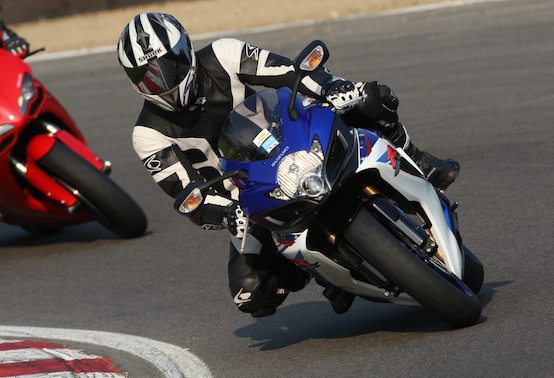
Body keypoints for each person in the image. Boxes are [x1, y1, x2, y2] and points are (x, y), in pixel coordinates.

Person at [117, 13, 460, 317]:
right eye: (148, 78)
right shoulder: (147, 136)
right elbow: (190, 196)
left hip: (294, 138)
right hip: (249, 197)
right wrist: (226, 214)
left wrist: (334, 87)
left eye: (170, 67)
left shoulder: (223, 53)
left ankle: (418, 159)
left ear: (186, 51)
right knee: (252, 294)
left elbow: (287, 73)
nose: (162, 83)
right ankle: (323, 271)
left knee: (370, 97)